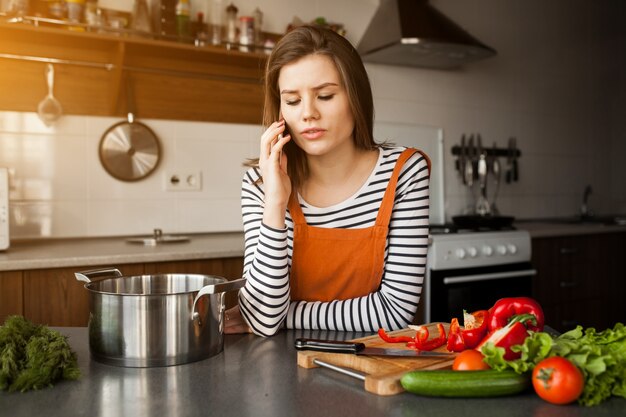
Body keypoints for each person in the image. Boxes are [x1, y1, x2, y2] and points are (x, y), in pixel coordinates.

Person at [225, 25, 430, 337]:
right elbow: (263, 318)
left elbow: (395, 313)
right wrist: (275, 202)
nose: (308, 113)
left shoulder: (404, 172)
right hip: (280, 372)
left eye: (325, 96)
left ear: (355, 97)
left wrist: (285, 315)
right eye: (292, 101)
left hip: (368, 369)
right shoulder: (260, 182)